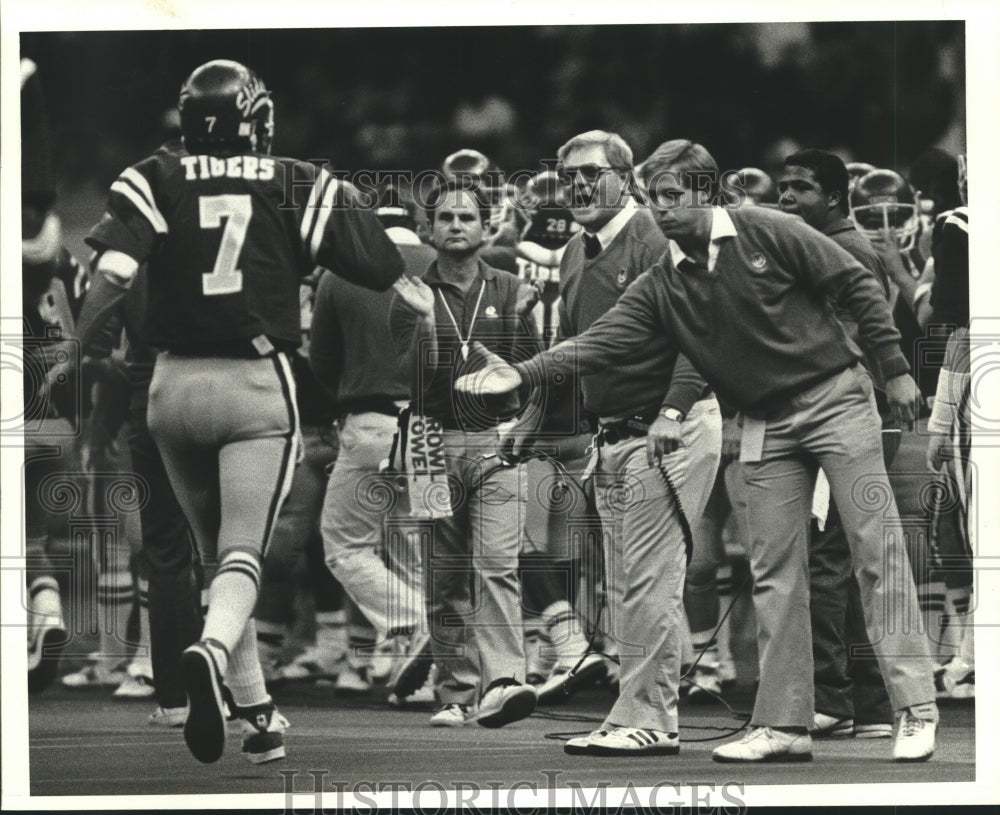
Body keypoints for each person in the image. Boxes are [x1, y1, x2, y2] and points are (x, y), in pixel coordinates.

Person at [457, 139, 939, 764]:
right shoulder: (665, 280)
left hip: (837, 398)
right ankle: (784, 724)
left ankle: (916, 707)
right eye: (654, 197)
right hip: (764, 417)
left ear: (706, 195)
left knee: (878, 551)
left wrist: (897, 370)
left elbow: (856, 282)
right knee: (773, 572)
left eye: (673, 196)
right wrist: (523, 376)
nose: (661, 210)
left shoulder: (768, 228)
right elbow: (600, 340)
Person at [75, 59, 404, 765]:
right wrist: (342, 196)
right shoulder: (291, 178)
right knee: (242, 555)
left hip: (167, 388)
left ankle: (258, 716)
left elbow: (111, 277)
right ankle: (213, 651)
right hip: (253, 382)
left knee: (214, 556)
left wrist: (74, 355)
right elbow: (379, 265)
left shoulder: (153, 175)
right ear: (256, 119)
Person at [515, 129, 721, 755]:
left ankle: (650, 719)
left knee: (648, 580)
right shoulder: (578, 250)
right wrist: (532, 424)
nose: (577, 185)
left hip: (665, 428)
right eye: (568, 174)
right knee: (630, 580)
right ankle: (640, 710)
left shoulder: (656, 236)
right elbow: (578, 352)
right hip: (616, 433)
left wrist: (672, 409)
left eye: (592, 173)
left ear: (626, 178)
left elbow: (702, 332)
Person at [389, 179, 540, 729]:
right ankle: (454, 690)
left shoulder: (510, 285)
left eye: (467, 217)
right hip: (430, 437)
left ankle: (504, 680)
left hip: (498, 437)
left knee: (497, 564)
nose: (456, 226)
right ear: (428, 229)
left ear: (485, 226)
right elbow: (415, 380)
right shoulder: (410, 289)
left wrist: (524, 320)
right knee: (445, 571)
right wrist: (425, 322)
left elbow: (529, 374)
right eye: (446, 218)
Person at [778, 148, 896, 739]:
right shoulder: (832, 244)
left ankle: (832, 699)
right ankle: (871, 704)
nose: (785, 197)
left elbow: (851, 340)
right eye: (782, 186)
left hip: (842, 415)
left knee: (824, 562)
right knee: (845, 564)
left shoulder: (844, 250)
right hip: (855, 413)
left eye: (799, 187)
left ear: (833, 196)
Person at [310, 183, 435, 703]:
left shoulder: (340, 273)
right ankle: (429, 681)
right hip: (430, 428)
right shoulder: (438, 262)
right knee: (417, 552)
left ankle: (415, 623)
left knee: (343, 545)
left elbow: (320, 360)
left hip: (370, 422)